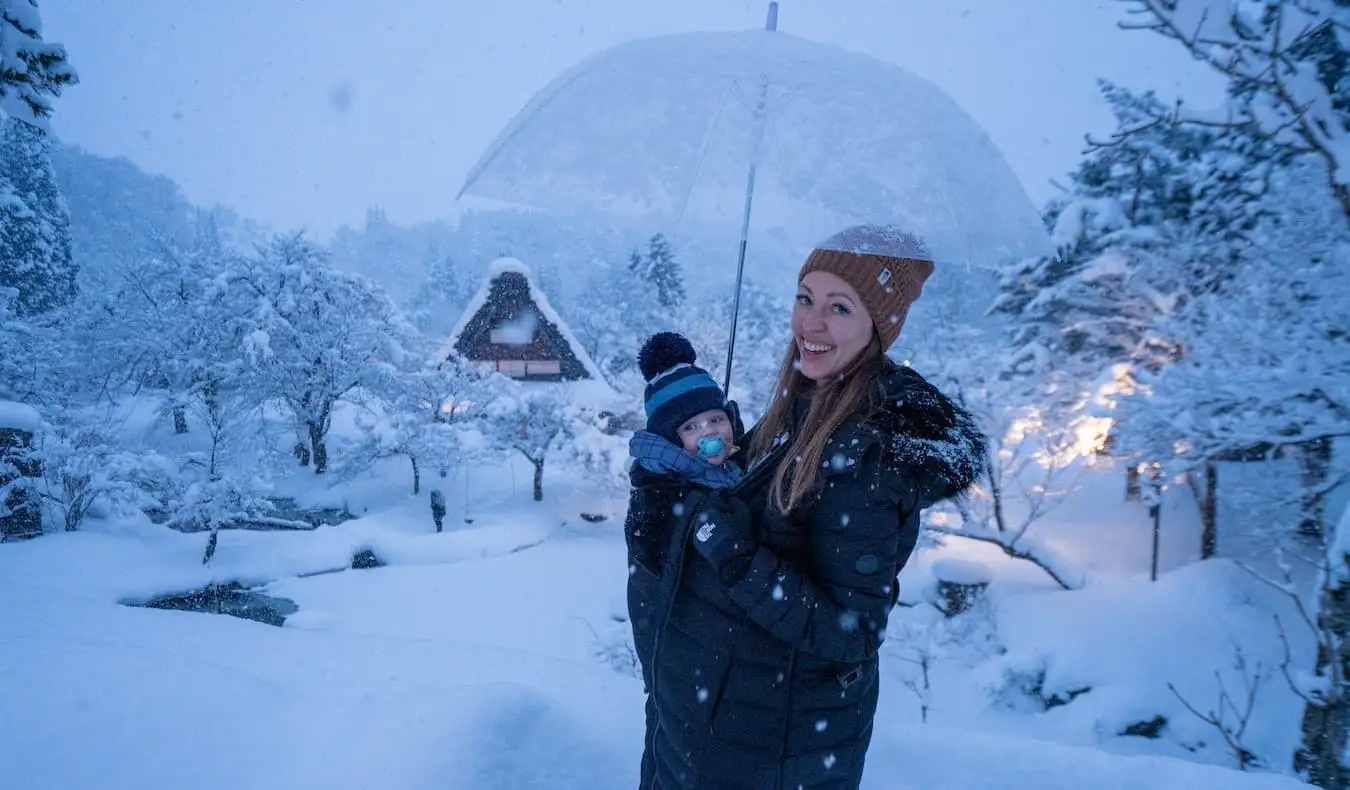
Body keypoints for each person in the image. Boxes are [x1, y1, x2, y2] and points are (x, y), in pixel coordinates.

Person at [631, 224, 987, 790]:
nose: (812, 324)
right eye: (806, 299)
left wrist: (727, 547)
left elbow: (849, 634)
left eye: (840, 307)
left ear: (879, 325)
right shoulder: (798, 410)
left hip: (765, 752)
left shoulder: (867, 453)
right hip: (705, 730)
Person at [623, 331, 748, 789]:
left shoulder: (726, 472)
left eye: (717, 419)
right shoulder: (664, 489)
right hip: (682, 663)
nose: (710, 433)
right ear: (670, 441)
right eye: (692, 428)